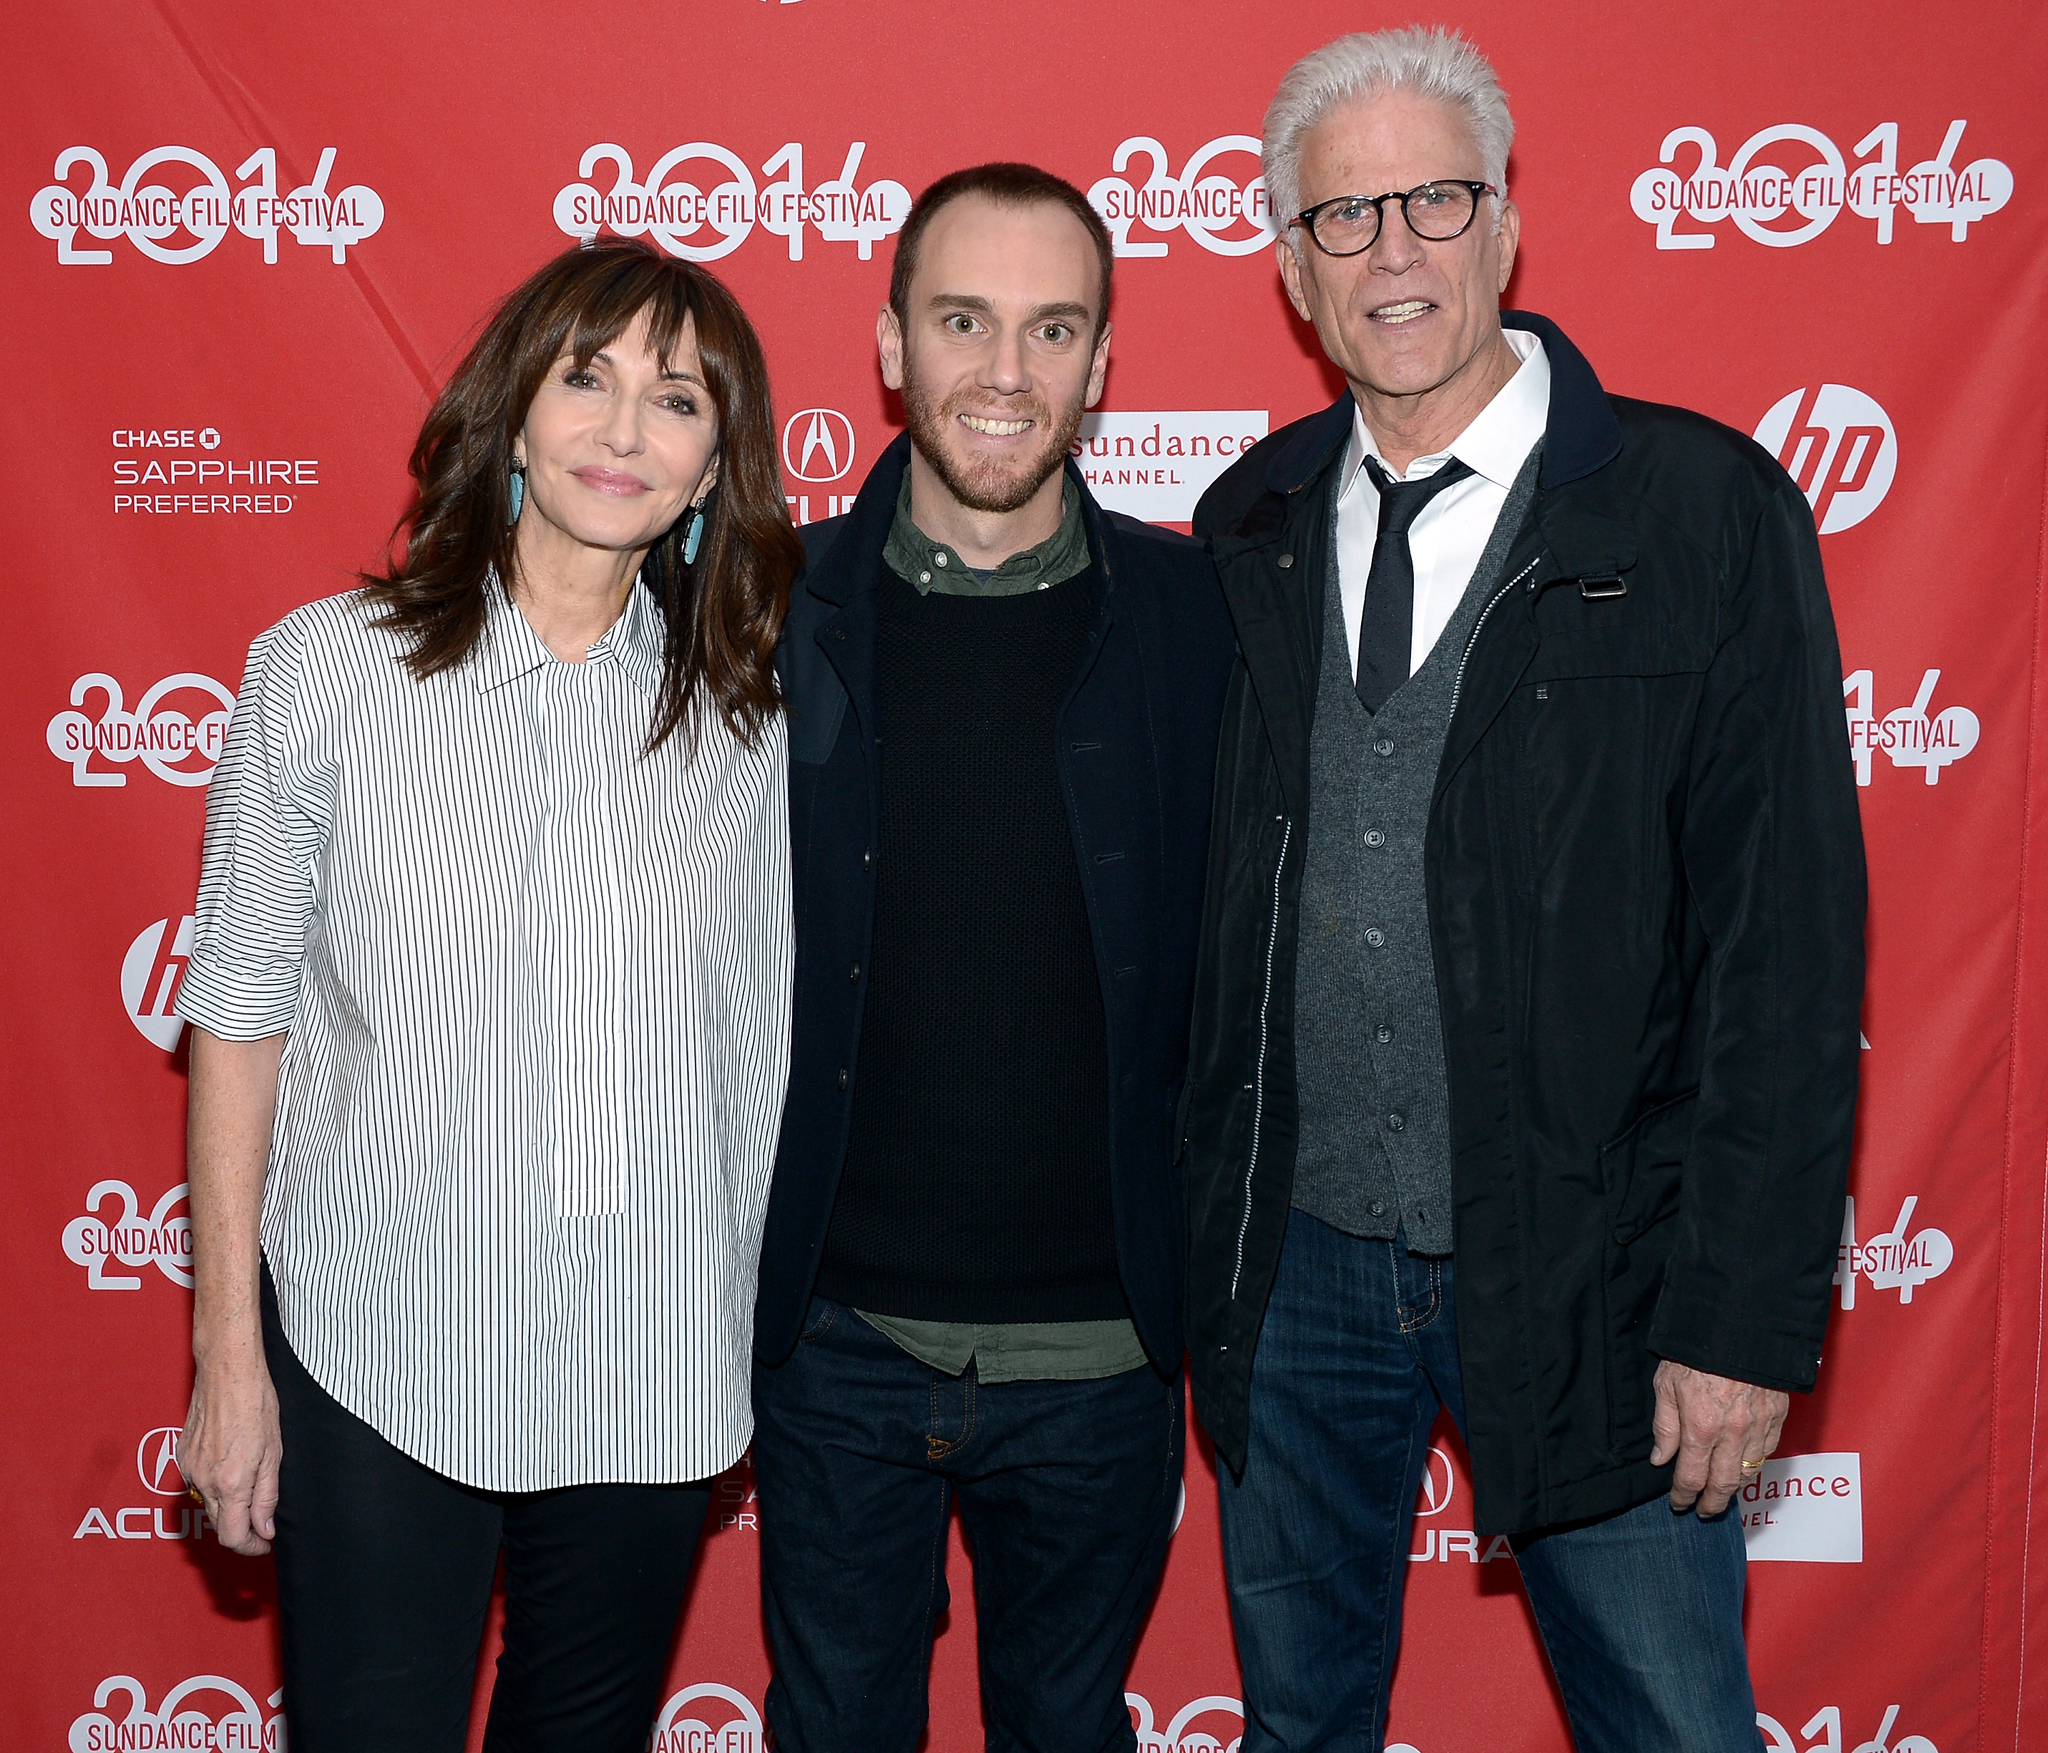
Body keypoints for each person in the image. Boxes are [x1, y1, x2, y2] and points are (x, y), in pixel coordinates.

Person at [1182, 28, 1866, 1753]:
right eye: (1344, 216)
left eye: (1435, 199)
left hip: (1601, 1274)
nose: (1394, 249)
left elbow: (1784, 957)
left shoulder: (1703, 510)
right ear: (1288, 265)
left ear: (1506, 227)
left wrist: (1739, 1315)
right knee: (1297, 1724)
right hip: (1301, 1272)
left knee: (1671, 1724)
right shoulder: (1244, 524)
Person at [173, 239, 801, 1753]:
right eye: (585, 378)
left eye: (676, 402)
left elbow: (775, 1043)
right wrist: (227, 1358)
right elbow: (241, 1009)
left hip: (655, 1358)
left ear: (718, 467)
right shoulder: (326, 672)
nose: (621, 431)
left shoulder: (758, 713)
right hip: (384, 1340)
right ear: (514, 412)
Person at [751, 163, 1235, 1753]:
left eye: (1052, 330)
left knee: (1066, 1727)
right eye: (964, 321)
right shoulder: (767, 604)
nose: (1006, 373)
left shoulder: (1202, 617)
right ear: (890, 343)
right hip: (836, 1343)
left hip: (1104, 1359)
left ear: (1104, 366)